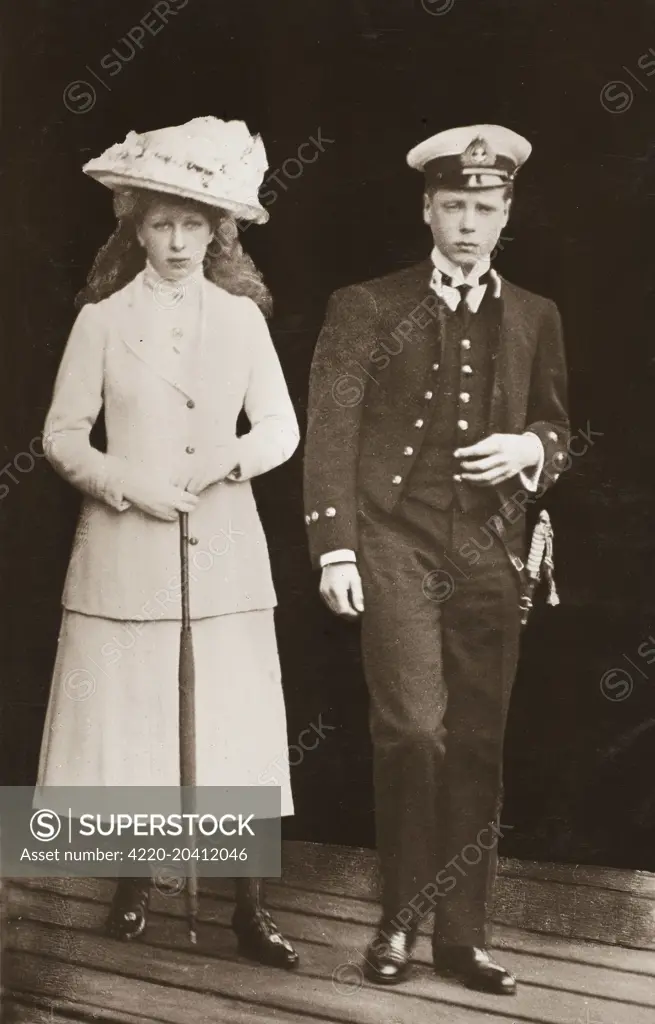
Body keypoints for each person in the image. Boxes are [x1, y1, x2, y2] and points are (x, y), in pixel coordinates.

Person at [303, 125, 570, 995]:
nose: (466, 223)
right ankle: (397, 923)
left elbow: (560, 429)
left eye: (483, 208)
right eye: (452, 205)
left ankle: (463, 939)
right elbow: (331, 431)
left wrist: (526, 449)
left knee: (478, 743)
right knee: (416, 732)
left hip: (492, 548)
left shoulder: (535, 314)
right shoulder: (365, 304)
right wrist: (333, 546)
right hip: (393, 539)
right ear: (426, 208)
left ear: (506, 215)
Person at [36, 117, 300, 969]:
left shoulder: (241, 319)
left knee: (235, 719)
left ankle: (248, 909)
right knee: (132, 713)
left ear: (219, 231)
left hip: (224, 548)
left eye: (195, 224)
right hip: (125, 545)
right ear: (135, 228)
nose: (178, 241)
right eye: (160, 222)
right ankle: (132, 884)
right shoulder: (102, 321)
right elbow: (63, 435)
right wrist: (126, 482)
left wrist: (234, 455)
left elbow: (281, 429)